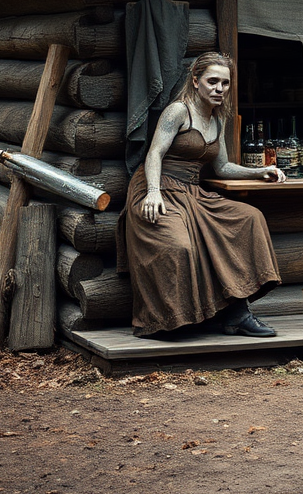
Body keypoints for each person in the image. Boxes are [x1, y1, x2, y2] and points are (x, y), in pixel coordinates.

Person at [117, 52, 285, 339]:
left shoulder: (218, 120)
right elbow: (155, 153)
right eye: (212, 81)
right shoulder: (178, 111)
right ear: (196, 81)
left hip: (192, 193)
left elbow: (222, 166)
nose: (219, 89)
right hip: (157, 188)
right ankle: (169, 319)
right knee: (179, 245)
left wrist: (259, 172)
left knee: (249, 218)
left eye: (225, 83)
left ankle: (237, 313)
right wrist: (153, 192)